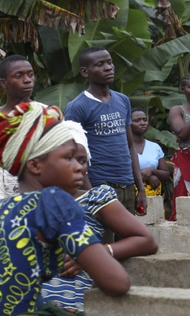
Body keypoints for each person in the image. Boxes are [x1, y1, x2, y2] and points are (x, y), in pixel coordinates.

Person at [0, 103, 131, 315]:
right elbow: (117, 282)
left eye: (79, 159)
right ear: (35, 165)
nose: (80, 167)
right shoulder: (54, 202)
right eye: (68, 158)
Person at [41, 121, 157, 312]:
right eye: (67, 159)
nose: (78, 167)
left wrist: (94, 254)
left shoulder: (94, 198)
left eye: (83, 160)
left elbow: (147, 240)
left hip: (74, 306)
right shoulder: (27, 203)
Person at [65, 46, 147, 216]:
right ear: (85, 72)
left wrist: (140, 189)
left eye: (109, 62)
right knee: (105, 241)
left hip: (128, 185)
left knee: (129, 240)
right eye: (100, 64)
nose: (108, 67)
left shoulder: (122, 100)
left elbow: (130, 145)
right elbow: (72, 154)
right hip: (100, 186)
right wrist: (90, 193)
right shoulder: (77, 107)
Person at [0, 55, 41, 204]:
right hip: (8, 201)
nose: (27, 80)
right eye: (19, 76)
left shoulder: (47, 115)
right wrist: (2, 189)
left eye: (30, 75)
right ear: (4, 83)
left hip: (41, 199)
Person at [131, 108, 170, 197]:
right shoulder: (123, 147)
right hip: (130, 195)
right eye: (137, 120)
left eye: (145, 120)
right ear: (128, 124)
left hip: (153, 196)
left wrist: (152, 171)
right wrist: (148, 177)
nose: (142, 123)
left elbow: (166, 174)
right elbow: (122, 173)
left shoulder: (155, 147)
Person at [168, 74, 190, 221]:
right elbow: (182, 132)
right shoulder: (178, 110)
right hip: (185, 161)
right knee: (184, 200)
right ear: (183, 89)